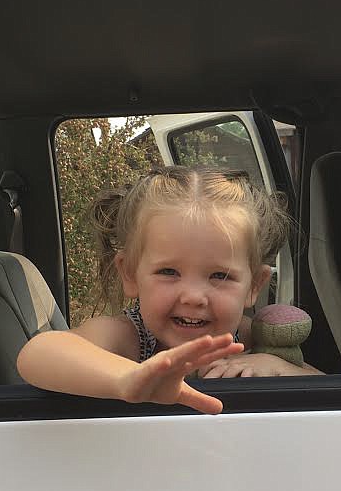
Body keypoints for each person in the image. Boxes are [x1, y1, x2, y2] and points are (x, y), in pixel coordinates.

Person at [17, 166, 320, 414]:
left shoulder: (249, 337)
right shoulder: (129, 337)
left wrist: (277, 368)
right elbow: (38, 354)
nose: (192, 296)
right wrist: (127, 378)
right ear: (130, 274)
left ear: (254, 285)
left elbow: (329, 389)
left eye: (219, 275)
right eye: (168, 272)